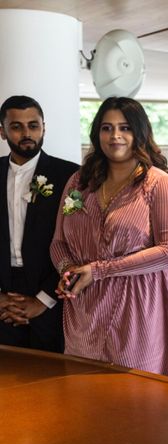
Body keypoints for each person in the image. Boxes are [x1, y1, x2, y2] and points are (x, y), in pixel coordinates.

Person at [50, 97, 168, 376]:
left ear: (140, 132)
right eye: (106, 128)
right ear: (97, 133)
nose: (115, 136)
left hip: (136, 313)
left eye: (125, 128)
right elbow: (58, 241)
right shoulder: (79, 183)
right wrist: (68, 271)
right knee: (83, 401)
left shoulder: (159, 184)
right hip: (83, 313)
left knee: (135, 405)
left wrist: (100, 270)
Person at [0, 96, 78, 352]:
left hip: (51, 293)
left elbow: (76, 243)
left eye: (33, 125)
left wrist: (43, 301)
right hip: (3, 293)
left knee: (51, 380)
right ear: (2, 132)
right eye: (16, 126)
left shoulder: (71, 176)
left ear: (44, 127)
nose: (26, 133)